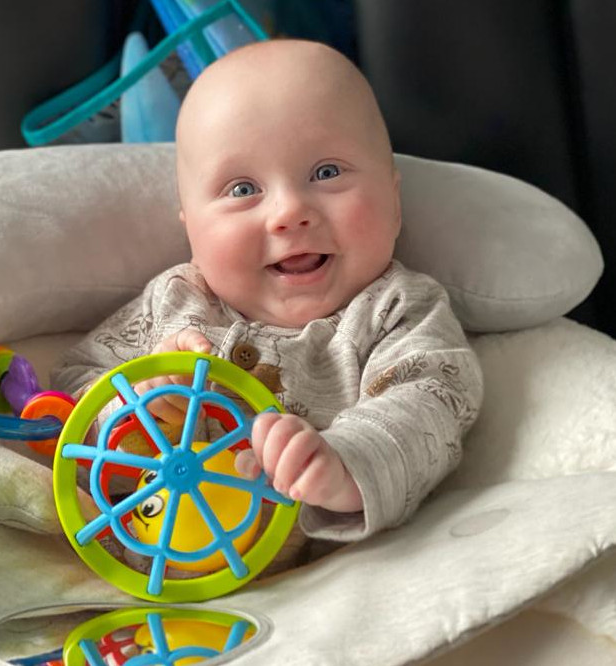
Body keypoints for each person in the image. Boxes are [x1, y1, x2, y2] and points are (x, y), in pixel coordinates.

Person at [52, 39, 483, 550]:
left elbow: (431, 402)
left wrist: (344, 463)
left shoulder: (396, 309)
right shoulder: (177, 300)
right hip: (156, 559)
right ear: (191, 228)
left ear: (394, 198)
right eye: (242, 189)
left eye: (326, 172)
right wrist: (141, 407)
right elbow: (71, 390)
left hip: (322, 574)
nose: (288, 212)